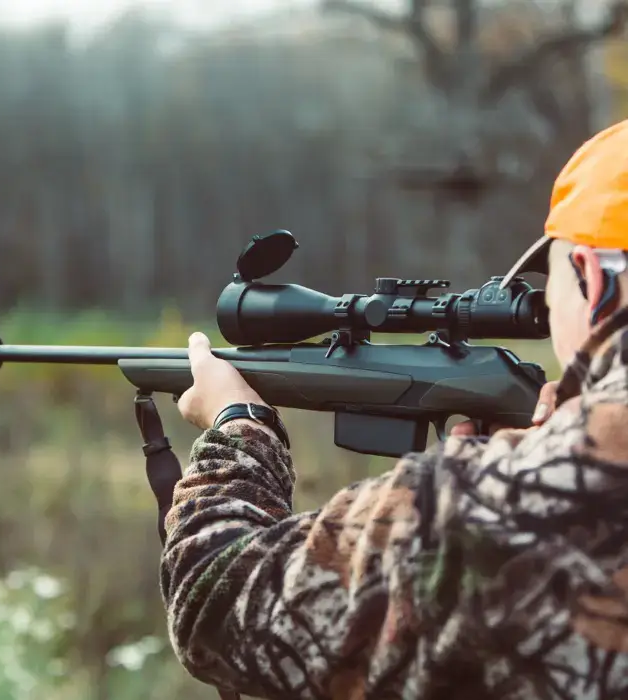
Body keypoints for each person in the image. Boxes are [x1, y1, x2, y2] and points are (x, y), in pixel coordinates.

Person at [162, 120, 628, 699]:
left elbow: (217, 604)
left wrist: (238, 429)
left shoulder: (505, 501)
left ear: (592, 278)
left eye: (551, 283)